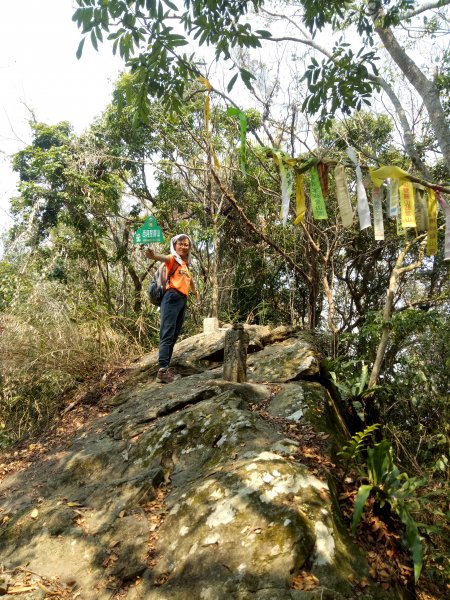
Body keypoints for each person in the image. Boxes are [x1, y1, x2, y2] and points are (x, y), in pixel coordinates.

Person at [145, 234, 199, 384]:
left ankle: (165, 368)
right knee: (167, 334)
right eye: (180, 244)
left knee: (174, 335)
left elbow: (190, 280)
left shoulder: (185, 265)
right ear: (174, 245)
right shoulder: (173, 259)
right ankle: (162, 370)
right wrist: (153, 255)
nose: (183, 246)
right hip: (171, 297)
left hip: (182, 299)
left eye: (186, 244)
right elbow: (163, 257)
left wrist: (195, 292)